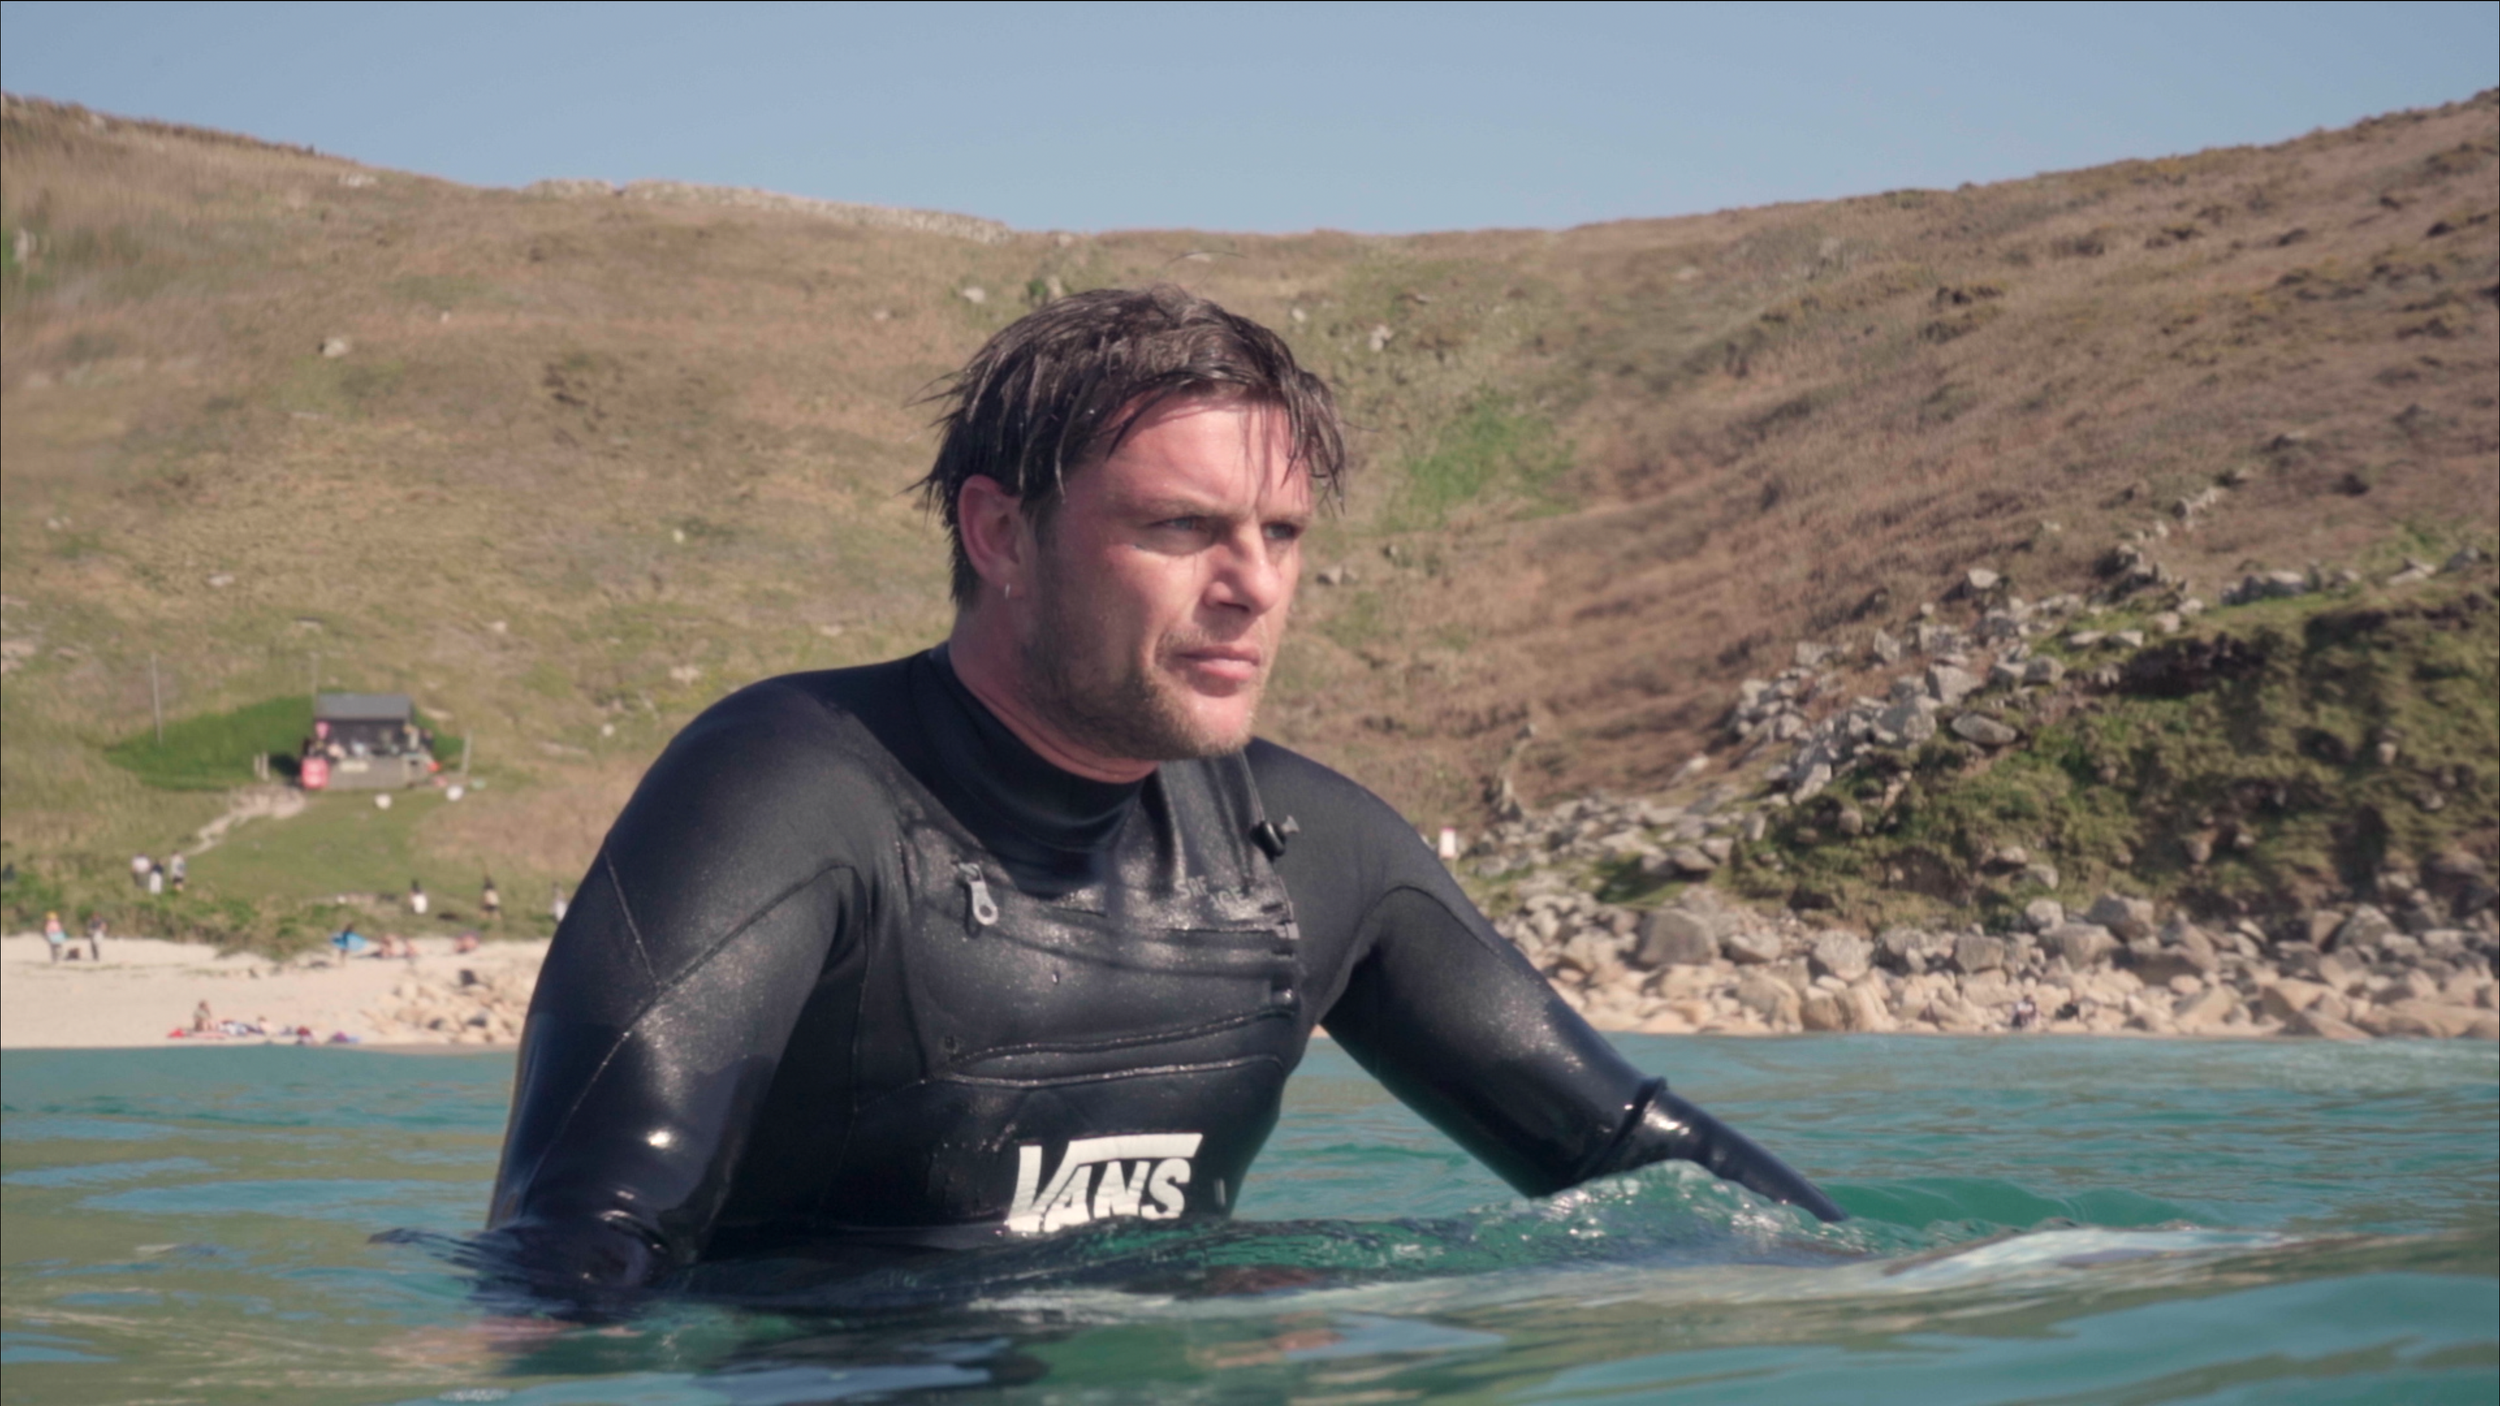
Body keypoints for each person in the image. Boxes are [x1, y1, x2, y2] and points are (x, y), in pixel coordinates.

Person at [487, 287, 1842, 1298]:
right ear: (1001, 534)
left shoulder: (1307, 852)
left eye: (1282, 533)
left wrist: (1915, 1296)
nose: (1253, 585)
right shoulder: (791, 789)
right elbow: (581, 1253)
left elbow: (1637, 1164)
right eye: (1182, 527)